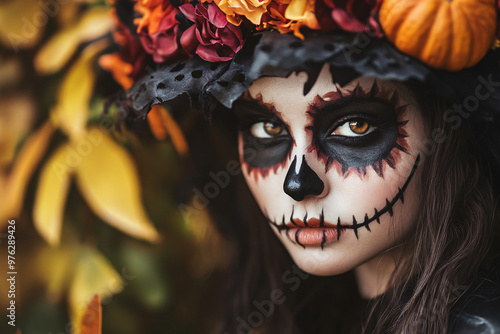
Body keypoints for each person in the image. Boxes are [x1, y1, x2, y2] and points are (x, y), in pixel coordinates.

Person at [105, 0, 500, 332]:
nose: (297, 184)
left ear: (446, 129)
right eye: (266, 127)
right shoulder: (300, 311)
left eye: (354, 126)